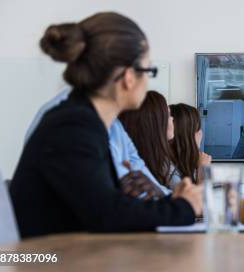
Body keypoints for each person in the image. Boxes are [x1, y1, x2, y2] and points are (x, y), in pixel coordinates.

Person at [10, 12, 202, 238]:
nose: (148, 81)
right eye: (149, 71)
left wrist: (174, 200)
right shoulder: (72, 127)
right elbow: (108, 214)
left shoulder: (90, 122)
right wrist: (184, 207)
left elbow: (113, 203)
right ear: (129, 77)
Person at [25, 87, 170, 197]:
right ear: (127, 76)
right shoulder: (72, 118)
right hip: (63, 233)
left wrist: (177, 201)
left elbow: (142, 176)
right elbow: (111, 200)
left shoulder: (114, 124)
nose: (145, 83)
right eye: (146, 72)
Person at [119, 91, 177, 189]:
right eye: (169, 115)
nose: (172, 119)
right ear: (155, 123)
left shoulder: (160, 159)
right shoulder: (135, 167)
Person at [168, 103, 212, 188]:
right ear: (186, 134)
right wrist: (203, 169)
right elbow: (201, 199)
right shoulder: (170, 171)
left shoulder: (185, 162)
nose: (201, 133)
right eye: (198, 128)